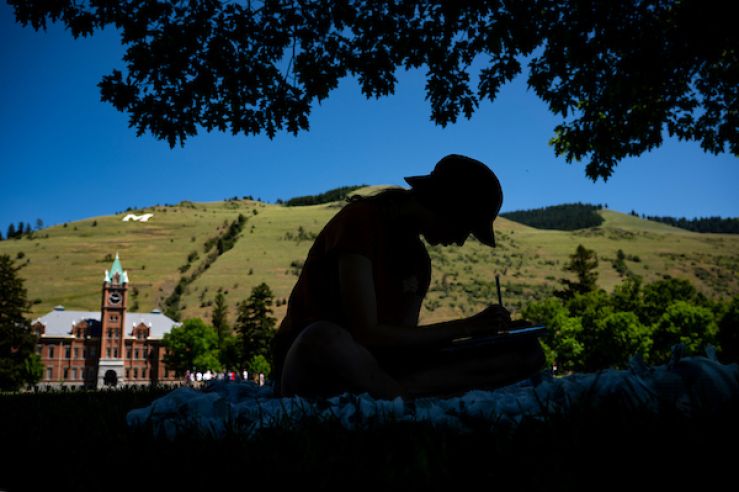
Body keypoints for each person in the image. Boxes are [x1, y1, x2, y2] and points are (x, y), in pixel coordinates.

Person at [271, 154, 544, 399]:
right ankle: (405, 394)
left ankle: (396, 392)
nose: (461, 241)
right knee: (325, 337)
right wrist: (465, 327)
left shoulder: (419, 262)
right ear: (447, 206)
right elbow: (364, 333)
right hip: (314, 365)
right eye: (464, 227)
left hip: (380, 369)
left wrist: (485, 339)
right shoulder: (360, 221)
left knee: (527, 352)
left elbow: (404, 344)